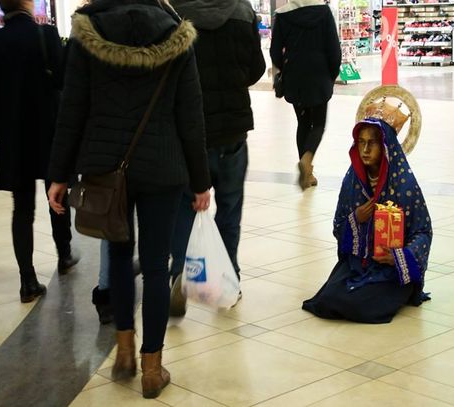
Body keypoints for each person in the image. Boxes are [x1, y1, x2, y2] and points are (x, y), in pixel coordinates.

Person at [47, 0, 211, 399]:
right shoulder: (177, 33)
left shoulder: (88, 31)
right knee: (156, 266)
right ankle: (152, 368)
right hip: (163, 166)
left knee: (119, 256)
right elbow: (190, 114)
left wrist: (58, 174)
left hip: (105, 168)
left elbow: (72, 108)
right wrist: (200, 181)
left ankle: (123, 352)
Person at [169, 0, 266, 316]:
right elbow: (256, 68)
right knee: (230, 208)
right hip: (232, 129)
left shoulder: (174, 12)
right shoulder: (242, 10)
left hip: (189, 130)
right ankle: (229, 280)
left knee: (185, 205)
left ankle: (179, 273)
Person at [0, 0, 78, 304]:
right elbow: (64, 81)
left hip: (14, 137)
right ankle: (64, 254)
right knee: (57, 195)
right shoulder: (47, 35)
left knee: (21, 208)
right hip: (48, 131)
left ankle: (27, 280)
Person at [302, 108, 433, 323]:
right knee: (327, 299)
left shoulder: (403, 183)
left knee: (360, 306)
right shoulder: (352, 180)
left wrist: (400, 257)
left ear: (385, 148)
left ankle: (399, 292)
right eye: (361, 142)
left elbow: (423, 231)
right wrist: (356, 219)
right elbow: (338, 225)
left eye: (371, 143)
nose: (365, 149)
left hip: (392, 268)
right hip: (357, 263)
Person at [270, 0, 341, 190]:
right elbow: (334, 49)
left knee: (303, 123)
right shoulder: (324, 12)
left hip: (295, 76)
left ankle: (307, 174)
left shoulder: (283, 15)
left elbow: (275, 51)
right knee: (318, 124)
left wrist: (283, 70)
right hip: (320, 74)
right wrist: (332, 75)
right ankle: (307, 161)